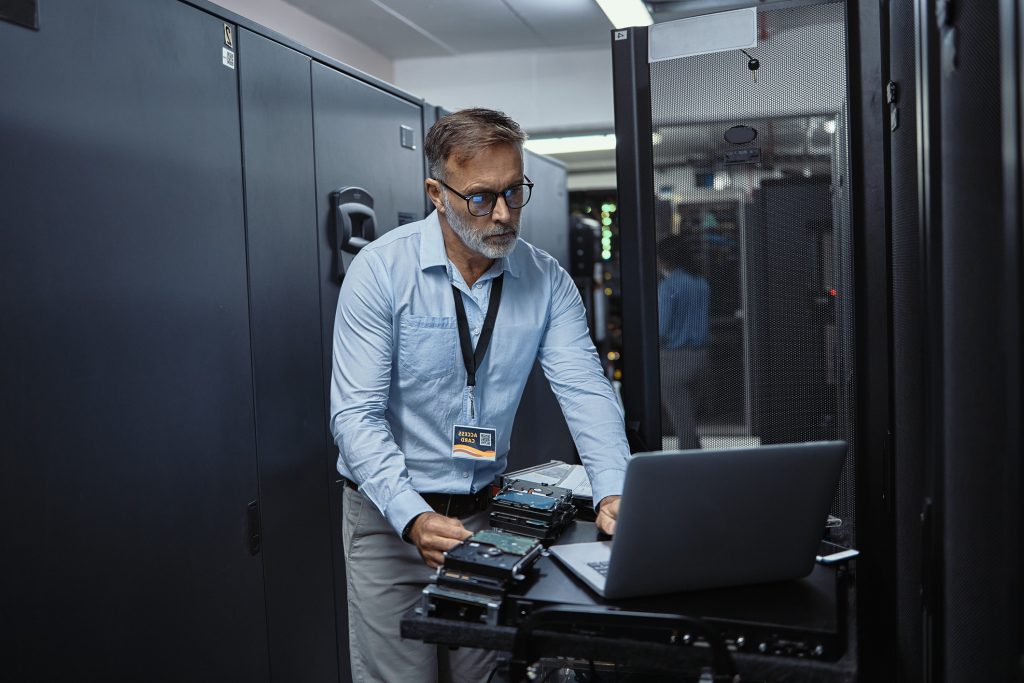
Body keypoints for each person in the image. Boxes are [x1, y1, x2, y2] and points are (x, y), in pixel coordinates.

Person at [330, 108, 631, 683]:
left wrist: (613, 491)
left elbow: (587, 390)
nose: (502, 214)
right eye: (481, 197)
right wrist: (411, 516)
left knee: (482, 675)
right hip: (390, 519)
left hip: (487, 517)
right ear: (435, 193)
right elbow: (355, 415)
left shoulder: (545, 280)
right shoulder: (380, 272)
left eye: (515, 193)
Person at [657, 234, 710, 450]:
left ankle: (690, 473)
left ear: (665, 259)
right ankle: (700, 466)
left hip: (674, 359)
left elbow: (661, 327)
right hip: (701, 357)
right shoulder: (701, 284)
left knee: (683, 426)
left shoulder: (669, 286)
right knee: (689, 423)